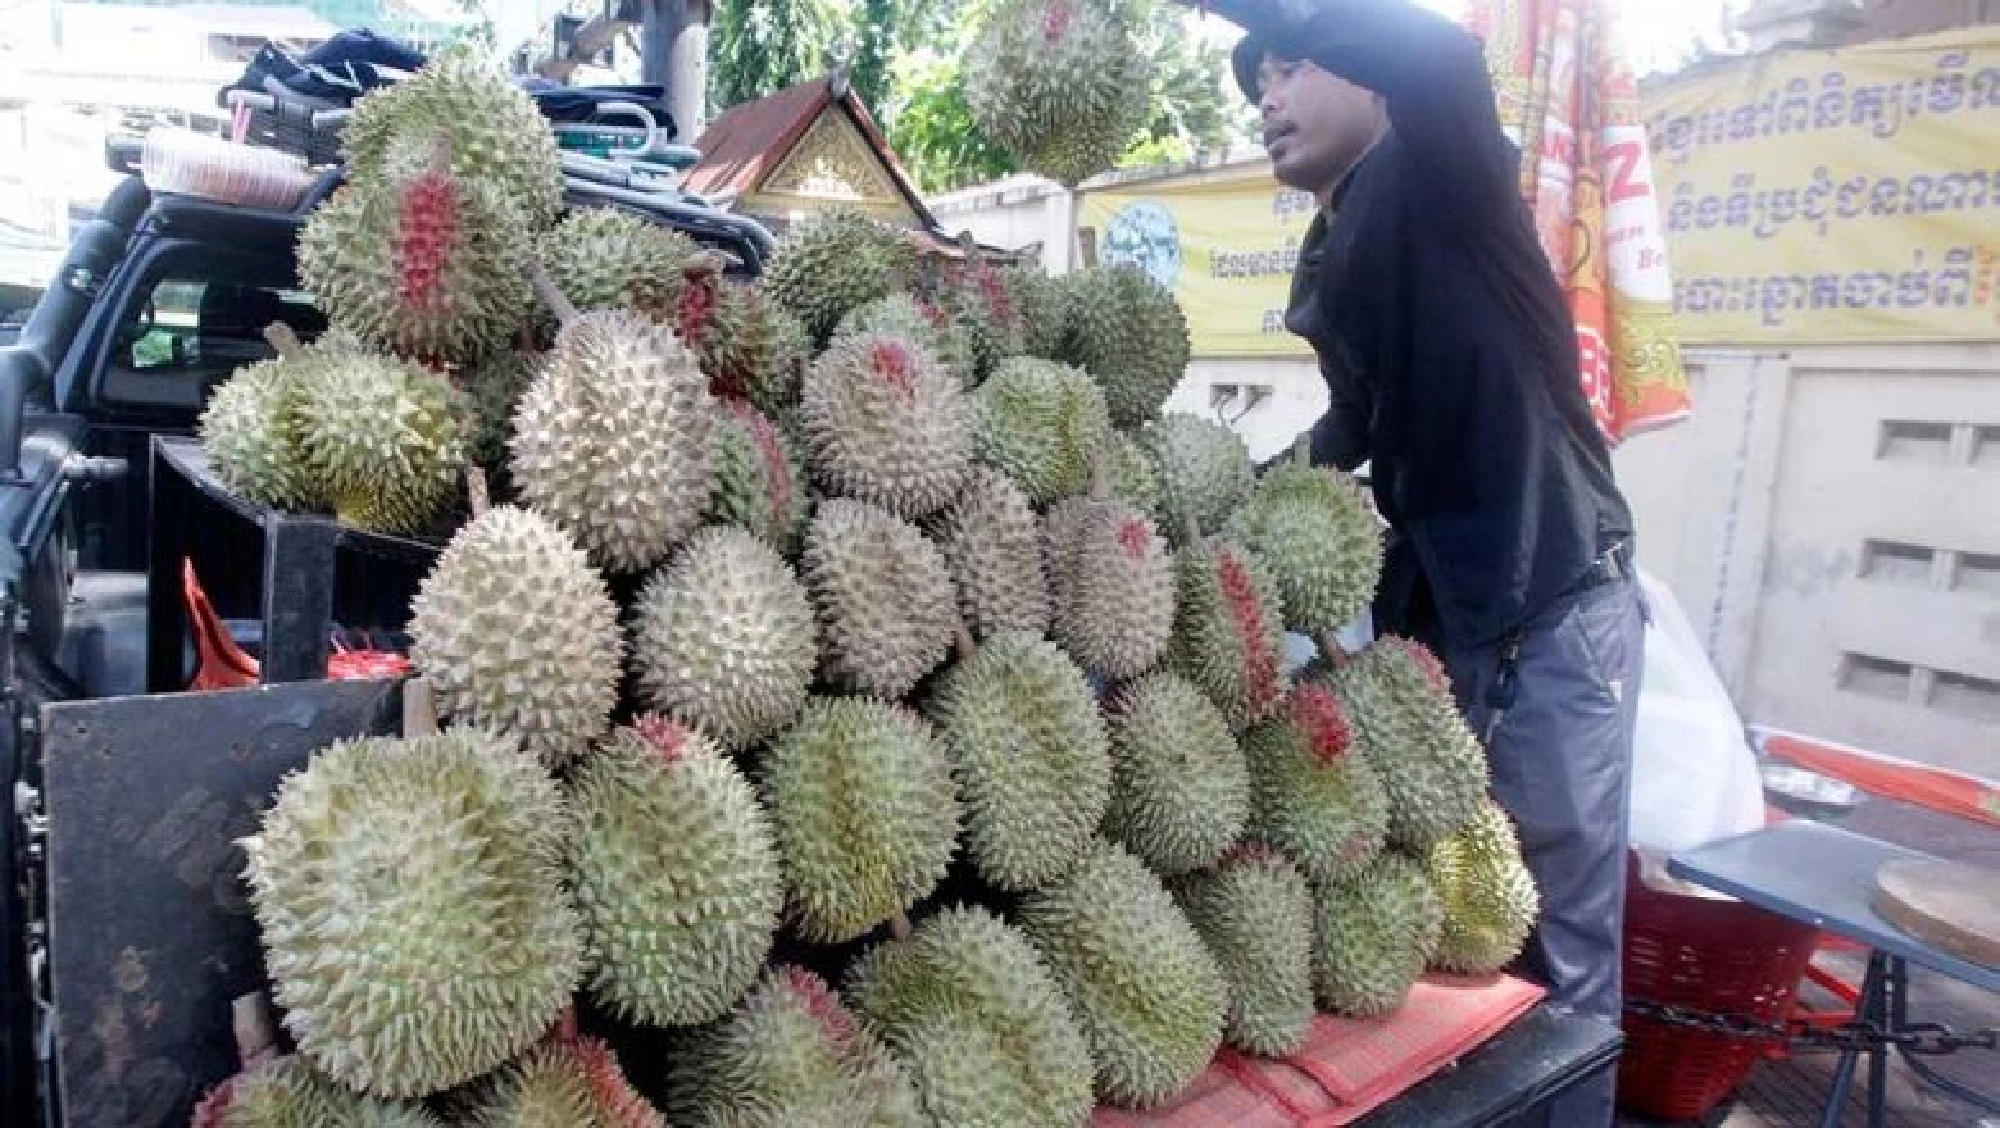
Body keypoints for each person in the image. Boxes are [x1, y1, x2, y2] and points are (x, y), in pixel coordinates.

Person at [1193, 0, 1649, 1123]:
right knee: (1463, 946)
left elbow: (1440, 54)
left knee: (1561, 951)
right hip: (1448, 626)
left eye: (1292, 66)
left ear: (1367, 78)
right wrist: (1219, 502)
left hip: (1551, 597)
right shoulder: (1331, 248)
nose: (1268, 97)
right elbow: (1355, 422)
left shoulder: (1446, 170)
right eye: (1259, 80)